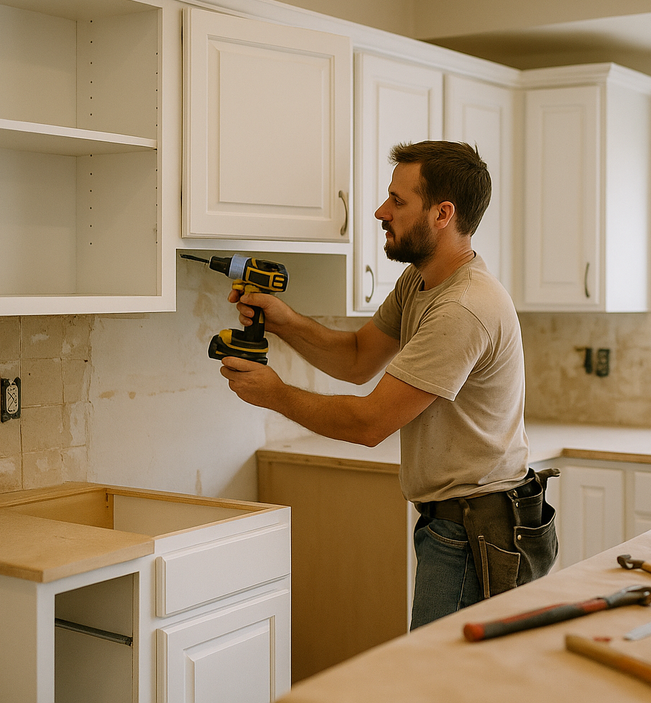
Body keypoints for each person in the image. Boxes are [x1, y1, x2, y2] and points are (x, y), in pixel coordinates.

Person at [219, 140, 557, 628]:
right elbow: (357, 358)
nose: (381, 211)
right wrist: (284, 321)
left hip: (478, 528)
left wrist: (275, 395)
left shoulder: (463, 307)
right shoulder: (420, 283)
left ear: (443, 214)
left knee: (440, 685)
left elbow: (370, 423)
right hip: (460, 520)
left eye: (398, 201)